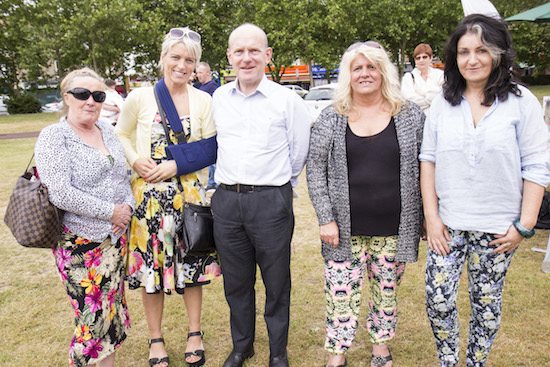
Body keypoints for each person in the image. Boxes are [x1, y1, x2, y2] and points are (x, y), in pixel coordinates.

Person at [420, 14, 549, 367]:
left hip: (497, 229)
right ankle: (449, 361)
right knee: (438, 299)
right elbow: (427, 161)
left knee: (486, 306)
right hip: (448, 225)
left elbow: (537, 164)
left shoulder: (521, 102)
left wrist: (524, 223)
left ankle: (476, 363)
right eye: (463, 52)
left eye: (481, 50)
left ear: (498, 53)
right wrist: (431, 219)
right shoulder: (441, 104)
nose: (471, 59)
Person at [307, 40, 424, 367]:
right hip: (343, 229)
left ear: (384, 71)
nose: (365, 73)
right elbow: (315, 168)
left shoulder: (409, 115)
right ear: (348, 75)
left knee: (386, 293)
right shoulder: (332, 116)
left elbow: (427, 165)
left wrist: (427, 217)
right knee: (339, 293)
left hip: (394, 227)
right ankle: (337, 354)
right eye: (357, 68)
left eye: (372, 66)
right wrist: (326, 218)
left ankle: (380, 349)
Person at [115, 27, 220, 367]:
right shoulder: (140, 98)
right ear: (162, 58)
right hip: (148, 201)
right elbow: (121, 136)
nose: (182, 65)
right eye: (175, 57)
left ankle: (194, 333)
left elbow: (212, 147)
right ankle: (156, 339)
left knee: (191, 268)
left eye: (189, 60)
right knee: (151, 272)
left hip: (188, 198)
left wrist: (176, 165)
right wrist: (135, 159)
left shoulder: (204, 100)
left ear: (196, 65)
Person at [211, 23, 311, 367]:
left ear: (268, 56)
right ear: (229, 57)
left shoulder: (287, 100)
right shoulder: (219, 98)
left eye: (254, 50)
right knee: (236, 284)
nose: (247, 57)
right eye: (239, 51)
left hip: (271, 202)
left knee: (276, 282)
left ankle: (277, 352)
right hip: (226, 203)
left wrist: (279, 189)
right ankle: (242, 346)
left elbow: (299, 152)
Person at [35, 67, 134, 367]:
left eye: (98, 95)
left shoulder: (106, 130)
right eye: (82, 94)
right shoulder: (55, 136)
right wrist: (111, 212)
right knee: (91, 320)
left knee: (111, 315)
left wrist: (126, 207)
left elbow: (123, 176)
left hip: (115, 241)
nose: (90, 101)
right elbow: (60, 193)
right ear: (66, 97)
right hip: (80, 244)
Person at [195, 61, 219, 190]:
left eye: (200, 72)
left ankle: (213, 182)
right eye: (197, 72)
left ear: (208, 73)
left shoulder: (213, 89)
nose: (198, 75)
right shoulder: (199, 87)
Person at [400, 43, 444, 112]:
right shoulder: (408, 78)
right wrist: (431, 98)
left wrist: (421, 96)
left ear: (430, 58)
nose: (421, 60)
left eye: (424, 57)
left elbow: (444, 98)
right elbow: (409, 101)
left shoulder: (440, 75)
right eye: (418, 58)